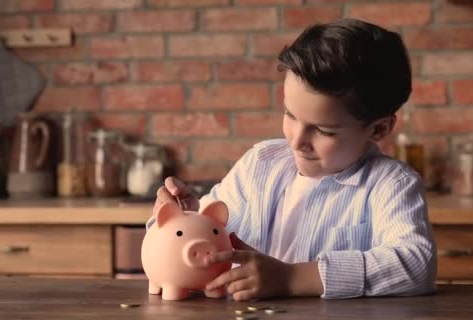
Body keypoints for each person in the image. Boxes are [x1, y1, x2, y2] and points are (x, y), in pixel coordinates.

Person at [149, 18, 437, 301]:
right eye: (290, 115)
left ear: (379, 128)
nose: (296, 141)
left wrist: (291, 278)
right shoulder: (259, 164)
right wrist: (187, 220)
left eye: (323, 130)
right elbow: (207, 241)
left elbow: (416, 264)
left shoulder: (391, 184)